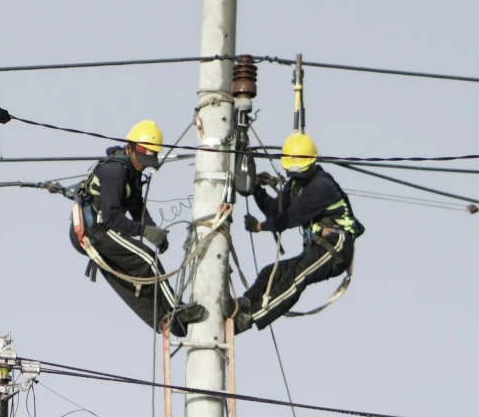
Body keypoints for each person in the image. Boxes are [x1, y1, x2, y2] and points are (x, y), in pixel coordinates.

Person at [70, 122, 205, 338]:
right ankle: (176, 310)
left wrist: (153, 231)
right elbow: (112, 217)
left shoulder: (132, 172)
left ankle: (164, 318)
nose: (143, 166)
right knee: (148, 260)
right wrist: (145, 233)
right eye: (142, 160)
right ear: (129, 148)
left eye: (147, 162)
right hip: (95, 229)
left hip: (97, 230)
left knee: (133, 273)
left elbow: (136, 206)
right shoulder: (115, 171)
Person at [234, 132, 364, 334]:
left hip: (336, 246)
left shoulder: (322, 186)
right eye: (292, 173)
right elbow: (274, 210)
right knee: (271, 273)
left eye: (300, 172)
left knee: (296, 277)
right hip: (317, 247)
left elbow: (289, 218)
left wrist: (260, 227)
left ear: (312, 164)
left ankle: (250, 317)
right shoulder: (295, 183)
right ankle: (244, 304)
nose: (296, 176)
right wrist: (256, 189)